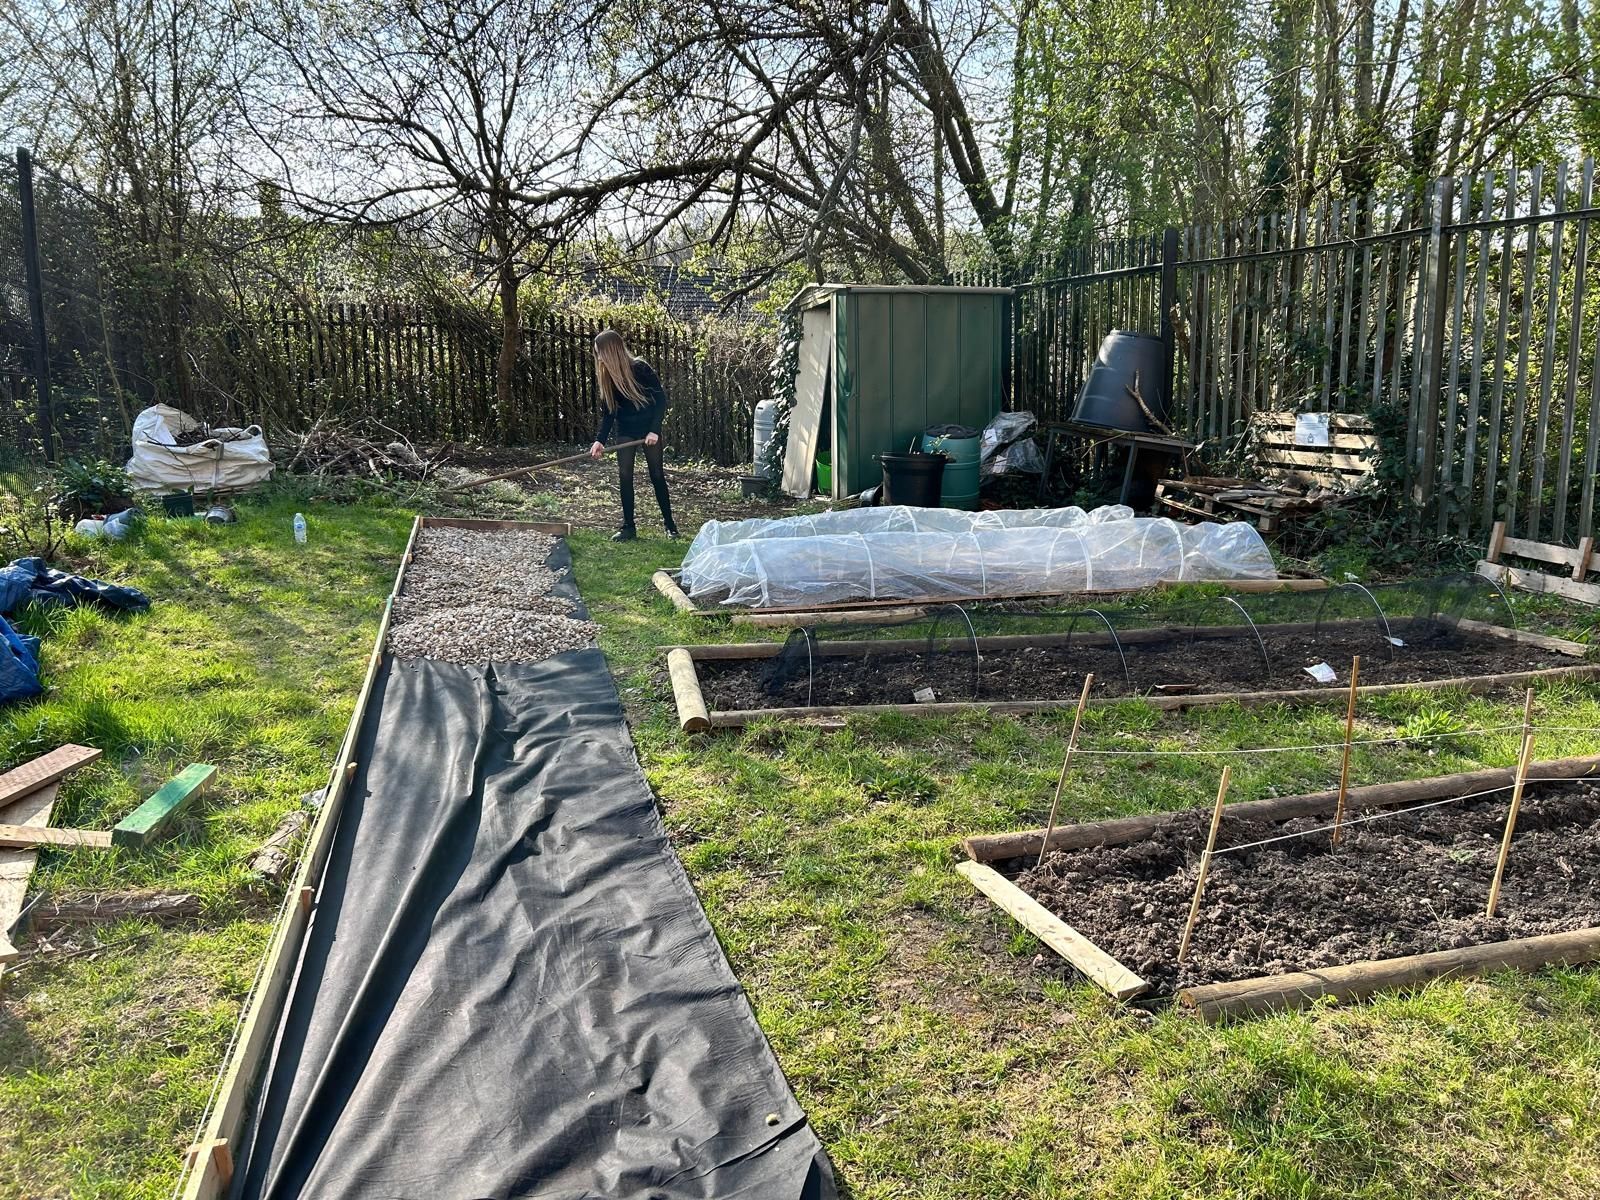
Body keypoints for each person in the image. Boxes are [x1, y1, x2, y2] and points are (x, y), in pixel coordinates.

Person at [588, 329, 678, 541]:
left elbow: (661, 401)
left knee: (656, 475)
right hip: (627, 430)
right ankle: (629, 527)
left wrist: (654, 430)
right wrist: (600, 440)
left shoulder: (640, 368)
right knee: (625, 476)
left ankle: (670, 525)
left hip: (649, 429)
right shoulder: (607, 376)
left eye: (600, 352)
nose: (598, 357)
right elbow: (609, 413)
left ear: (610, 351)